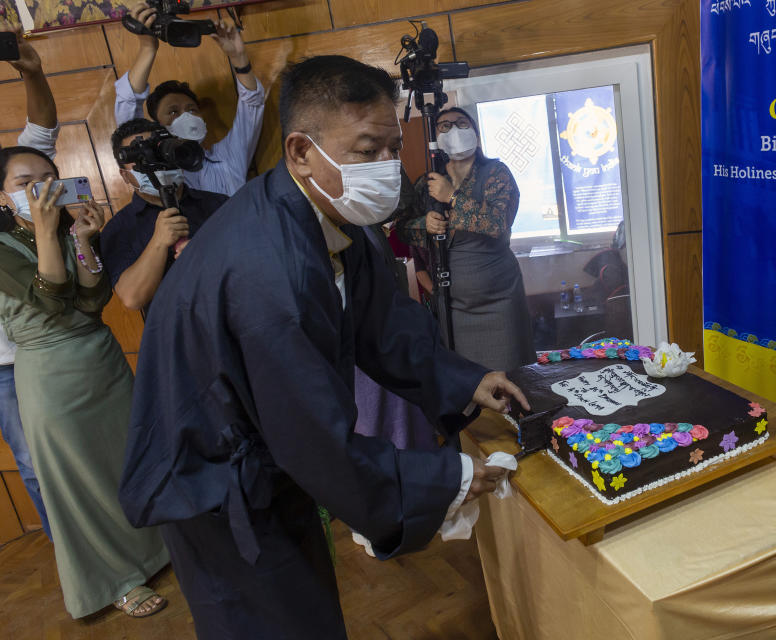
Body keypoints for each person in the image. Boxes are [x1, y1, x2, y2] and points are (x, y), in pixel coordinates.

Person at [117, 55, 529, 640]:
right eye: (366, 150)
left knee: (308, 605)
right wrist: (450, 477)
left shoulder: (330, 213)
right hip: (215, 480)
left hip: (268, 460)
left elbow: (381, 325)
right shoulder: (267, 267)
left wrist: (464, 379)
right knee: (272, 621)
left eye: (392, 150)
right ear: (301, 151)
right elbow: (310, 433)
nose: (386, 168)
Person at [0, 147, 169, 618]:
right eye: (24, 181)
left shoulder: (65, 228)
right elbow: (51, 298)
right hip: (50, 375)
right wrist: (44, 229)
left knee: (128, 457)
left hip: (102, 357)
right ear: (2, 193)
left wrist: (82, 237)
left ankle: (158, 546)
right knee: (78, 483)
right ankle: (117, 578)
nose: (40, 187)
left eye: (49, 177)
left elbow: (94, 300)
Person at [396, 107, 535, 371]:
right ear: (435, 139)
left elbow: (498, 223)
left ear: (476, 134)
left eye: (461, 123)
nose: (455, 130)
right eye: (445, 126)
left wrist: (453, 198)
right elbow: (402, 230)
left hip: (500, 301)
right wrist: (425, 225)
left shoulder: (496, 172)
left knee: (510, 382)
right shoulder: (428, 183)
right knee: (465, 382)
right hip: (452, 306)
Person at [0, 23, 61, 538]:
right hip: (3, 366)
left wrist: (34, 73)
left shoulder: (14, 191)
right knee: (35, 462)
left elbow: (40, 135)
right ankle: (73, 550)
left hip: (59, 346)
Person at [115, 2, 265, 196]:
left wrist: (239, 60)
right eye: (173, 112)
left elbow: (252, 104)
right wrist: (147, 48)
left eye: (192, 109)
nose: (186, 115)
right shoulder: (155, 168)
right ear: (158, 126)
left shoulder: (227, 157)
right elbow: (128, 113)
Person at [101, 118, 228, 311]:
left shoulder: (219, 204)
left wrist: (210, 256)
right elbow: (132, 298)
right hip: (180, 333)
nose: (154, 162)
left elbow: (254, 260)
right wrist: (158, 242)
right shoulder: (119, 228)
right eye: (142, 156)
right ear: (125, 175)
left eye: (157, 151)